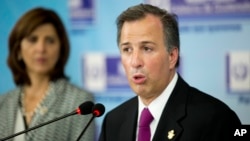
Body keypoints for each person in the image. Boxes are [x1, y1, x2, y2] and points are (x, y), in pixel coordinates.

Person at [99, 3, 241, 141]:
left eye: (147, 48)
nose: (135, 62)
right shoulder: (113, 122)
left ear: (172, 56)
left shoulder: (217, 119)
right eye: (127, 49)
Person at [0, 7, 95, 141]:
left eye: (50, 40)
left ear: (61, 48)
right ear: (18, 49)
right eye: (33, 39)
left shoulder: (79, 100)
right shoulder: (3, 102)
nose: (41, 48)